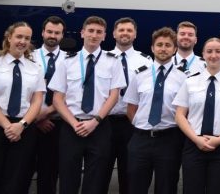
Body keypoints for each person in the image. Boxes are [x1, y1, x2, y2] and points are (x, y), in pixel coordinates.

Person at [49, 16, 126, 194]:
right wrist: (74, 123)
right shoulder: (67, 61)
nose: (94, 35)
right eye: (90, 31)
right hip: (71, 127)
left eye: (99, 32)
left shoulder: (113, 61)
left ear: (104, 36)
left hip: (99, 126)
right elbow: (57, 99)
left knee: (96, 180)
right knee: (68, 178)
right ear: (82, 33)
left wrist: (95, 121)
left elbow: (114, 96)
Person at [0, 22, 45, 194]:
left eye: (27, 38)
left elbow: (37, 102)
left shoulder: (36, 69)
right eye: (19, 37)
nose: (23, 41)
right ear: (9, 38)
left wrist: (21, 125)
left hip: (23, 130)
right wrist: (8, 126)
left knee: (17, 181)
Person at [124, 27, 187, 194]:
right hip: (141, 139)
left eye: (168, 45)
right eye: (159, 45)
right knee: (136, 187)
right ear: (152, 48)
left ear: (175, 49)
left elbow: (185, 110)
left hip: (169, 139)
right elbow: (131, 107)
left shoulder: (184, 77)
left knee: (167, 187)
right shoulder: (139, 74)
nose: (163, 48)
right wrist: (141, 126)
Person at [173, 37, 220, 194]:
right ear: (203, 54)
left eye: (218, 51)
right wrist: (196, 139)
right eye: (209, 51)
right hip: (194, 144)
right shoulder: (190, 82)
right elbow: (180, 115)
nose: (213, 55)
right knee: (192, 189)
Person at [106, 17, 149, 194]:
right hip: (105, 123)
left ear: (135, 34)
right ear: (114, 33)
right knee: (101, 172)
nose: (125, 33)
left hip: (131, 123)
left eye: (129, 30)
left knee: (130, 173)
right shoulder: (103, 59)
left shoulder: (146, 61)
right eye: (121, 30)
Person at [32, 16, 67, 194]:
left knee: (49, 173)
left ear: (62, 35)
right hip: (29, 122)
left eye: (57, 33)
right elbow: (23, 91)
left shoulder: (70, 60)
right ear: (43, 33)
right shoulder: (29, 57)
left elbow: (71, 93)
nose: (53, 36)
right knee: (22, 170)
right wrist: (36, 118)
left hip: (56, 124)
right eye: (49, 32)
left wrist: (46, 114)